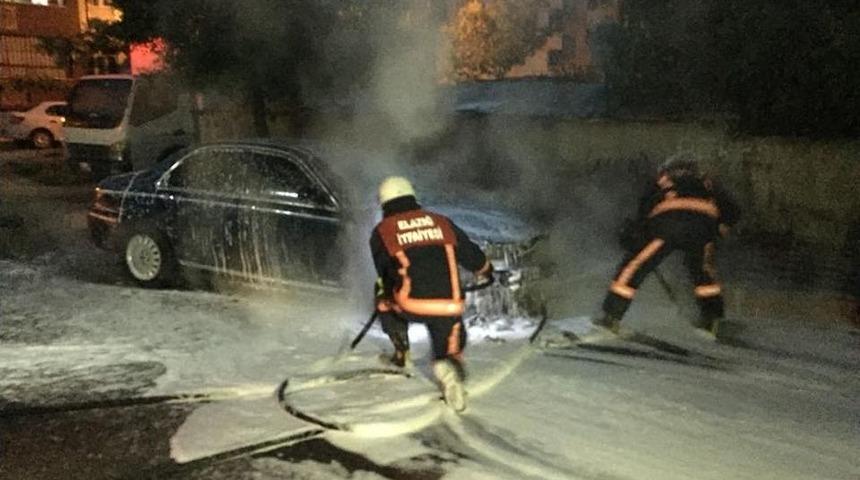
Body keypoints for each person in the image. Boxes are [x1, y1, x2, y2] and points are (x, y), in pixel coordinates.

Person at [369, 176, 493, 411]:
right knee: (449, 336)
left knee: (382, 293)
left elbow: (384, 272)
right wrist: (486, 270)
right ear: (412, 197)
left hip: (410, 304)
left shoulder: (383, 231)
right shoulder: (441, 222)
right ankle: (448, 363)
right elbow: (471, 255)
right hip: (449, 305)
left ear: (384, 203)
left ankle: (401, 350)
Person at [593, 153, 740, 339]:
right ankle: (713, 320)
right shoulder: (706, 182)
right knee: (704, 274)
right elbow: (733, 210)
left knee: (634, 267)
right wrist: (722, 226)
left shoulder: (661, 180)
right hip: (703, 228)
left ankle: (611, 317)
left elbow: (645, 209)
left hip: (669, 225)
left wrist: (637, 235)